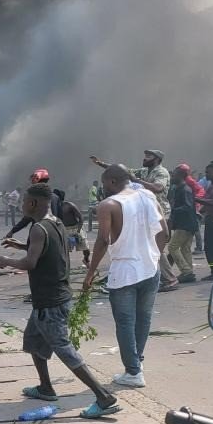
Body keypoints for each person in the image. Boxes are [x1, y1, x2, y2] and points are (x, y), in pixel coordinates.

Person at [0, 183, 120, 419]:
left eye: (24, 201)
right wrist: (21, 245)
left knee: (64, 349)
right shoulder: (56, 223)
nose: (21, 205)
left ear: (33, 203)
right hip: (53, 297)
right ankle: (45, 387)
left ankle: (103, 397)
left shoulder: (38, 229)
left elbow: (30, 262)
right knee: (33, 341)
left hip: (50, 301)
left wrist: (7, 260)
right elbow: (46, 250)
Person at [84, 164, 167, 388]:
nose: (103, 188)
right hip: (150, 269)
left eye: (104, 184)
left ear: (112, 181)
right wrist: (153, 256)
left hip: (125, 272)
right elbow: (164, 233)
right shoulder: (148, 196)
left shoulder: (108, 205)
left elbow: (103, 241)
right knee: (143, 319)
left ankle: (133, 372)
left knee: (125, 323)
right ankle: (137, 364)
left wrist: (90, 273)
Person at [90, 150, 177, 290]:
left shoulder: (162, 172)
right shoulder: (144, 171)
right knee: (145, 243)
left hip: (157, 210)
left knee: (153, 244)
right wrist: (101, 164)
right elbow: (122, 171)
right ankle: (156, 274)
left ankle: (169, 278)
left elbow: (158, 188)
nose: (145, 158)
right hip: (142, 209)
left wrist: (135, 180)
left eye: (148, 156)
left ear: (157, 159)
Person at [5, 169, 62, 239]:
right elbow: (60, 218)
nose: (31, 183)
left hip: (38, 233)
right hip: (54, 234)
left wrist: (12, 231)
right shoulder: (56, 197)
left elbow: (26, 219)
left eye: (33, 180)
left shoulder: (34, 198)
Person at [167, 164, 199, 283]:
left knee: (172, 247)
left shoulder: (185, 189)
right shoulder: (180, 188)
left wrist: (172, 210)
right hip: (188, 224)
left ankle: (186, 271)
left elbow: (187, 206)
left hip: (185, 224)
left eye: (174, 175)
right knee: (185, 248)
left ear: (181, 175)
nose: (172, 177)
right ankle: (189, 272)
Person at [54, 190, 90, 266]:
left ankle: (86, 259)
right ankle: (64, 266)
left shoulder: (69, 205)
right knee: (64, 250)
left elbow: (80, 218)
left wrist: (78, 231)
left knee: (86, 248)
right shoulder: (54, 207)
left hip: (76, 228)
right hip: (64, 229)